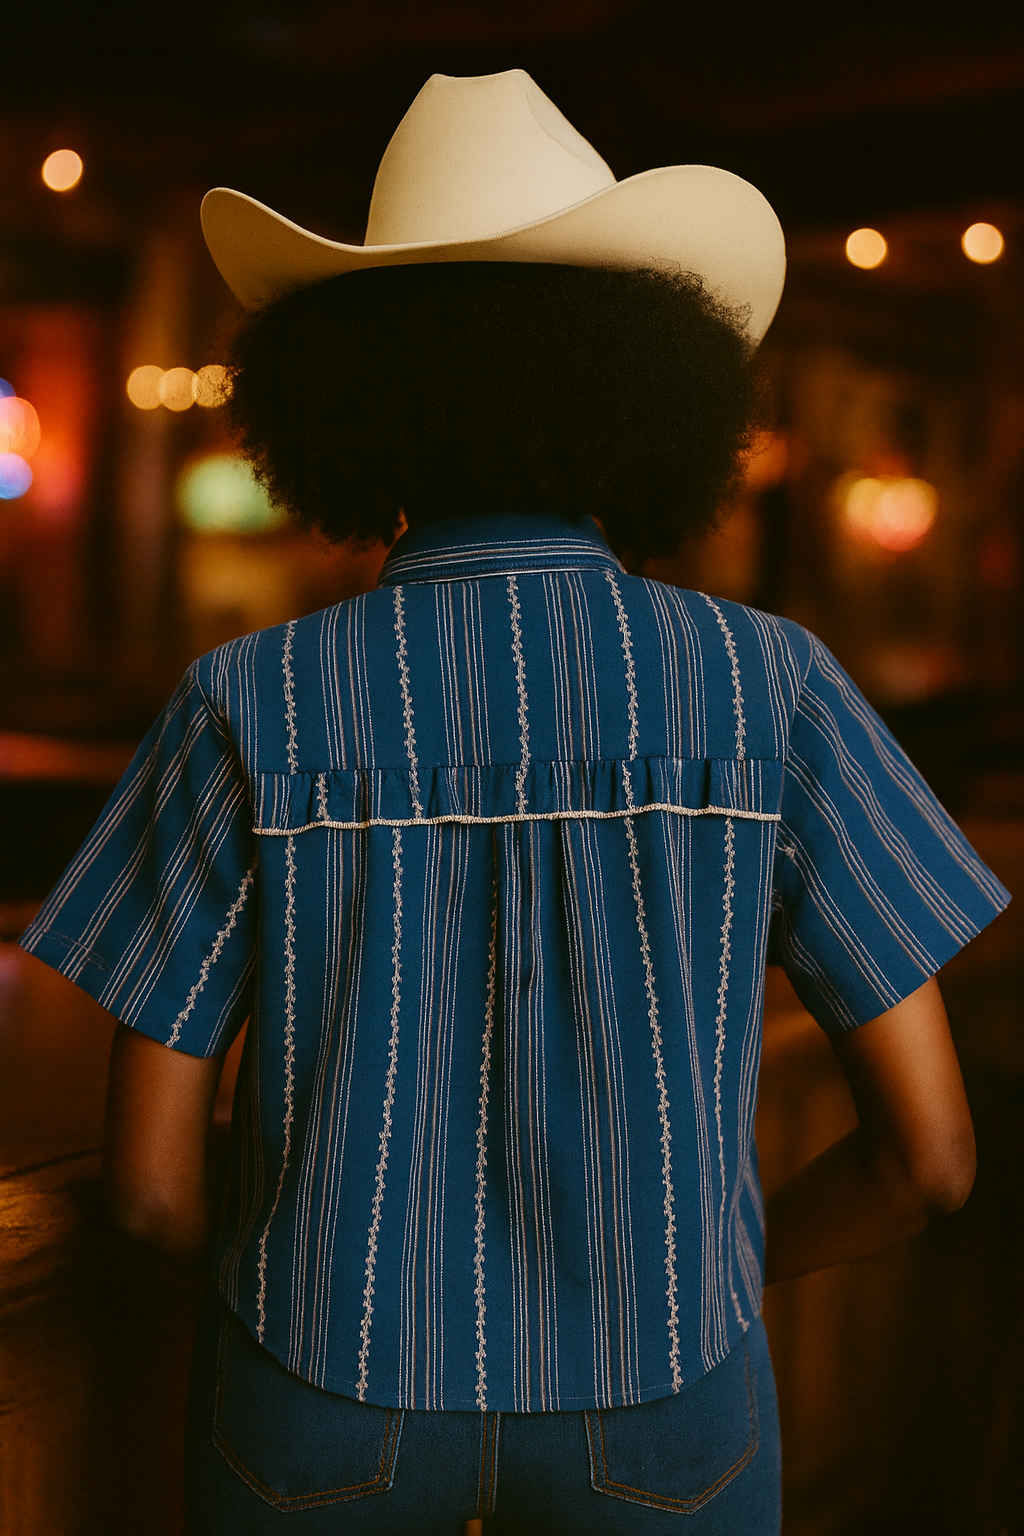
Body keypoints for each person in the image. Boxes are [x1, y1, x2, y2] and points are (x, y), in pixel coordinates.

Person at [20, 70, 1008, 1535]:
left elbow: (155, 1196)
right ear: (650, 390)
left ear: (342, 396)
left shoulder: (246, 699)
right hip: (675, 1407)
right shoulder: (773, 686)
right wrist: (714, 1285)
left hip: (314, 1400)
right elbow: (928, 1164)